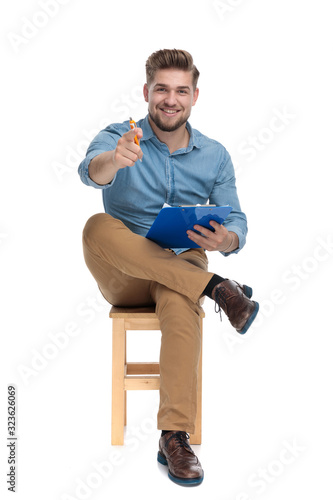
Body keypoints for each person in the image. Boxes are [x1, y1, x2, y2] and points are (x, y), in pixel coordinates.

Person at [78, 49, 259, 487]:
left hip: (184, 260)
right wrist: (114, 161)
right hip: (126, 271)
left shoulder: (214, 155)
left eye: (181, 90)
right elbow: (90, 172)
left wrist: (228, 239)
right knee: (96, 226)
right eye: (162, 89)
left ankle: (173, 437)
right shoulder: (120, 136)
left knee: (181, 299)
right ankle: (218, 288)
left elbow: (236, 219)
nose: (170, 99)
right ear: (147, 92)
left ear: (195, 96)